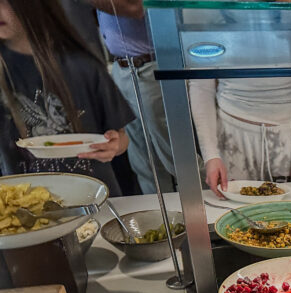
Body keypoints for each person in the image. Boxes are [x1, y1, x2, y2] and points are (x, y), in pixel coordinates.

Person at [0, 0, 134, 196]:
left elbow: (121, 138)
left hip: (93, 202)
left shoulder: (83, 66)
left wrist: (113, 146)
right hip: (22, 211)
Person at [90, 0, 178, 195]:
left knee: (175, 155)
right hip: (122, 68)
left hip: (150, 66)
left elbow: (135, 7)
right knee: (143, 162)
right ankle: (163, 220)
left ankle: (210, 213)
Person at [190, 76, 291, 197]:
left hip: (290, 142)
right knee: (232, 219)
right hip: (231, 143)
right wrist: (211, 155)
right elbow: (201, 85)